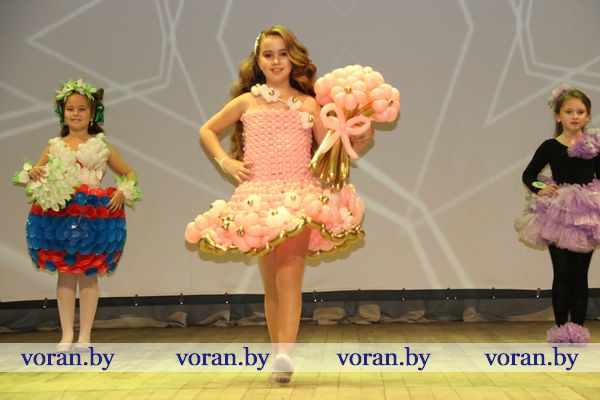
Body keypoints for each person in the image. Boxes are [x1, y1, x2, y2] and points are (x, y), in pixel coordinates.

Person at [184, 26, 372, 382]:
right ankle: (278, 354)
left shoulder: (309, 104)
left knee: (289, 276)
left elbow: (330, 152)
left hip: (299, 196)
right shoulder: (246, 102)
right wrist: (226, 162)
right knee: (270, 281)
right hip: (258, 200)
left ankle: (286, 353)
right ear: (258, 61)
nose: (276, 61)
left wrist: (357, 138)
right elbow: (207, 130)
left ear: (293, 58)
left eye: (282, 54)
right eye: (268, 55)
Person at [14, 79, 141, 350]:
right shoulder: (54, 146)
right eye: (70, 109)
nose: (75, 114)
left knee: (89, 274)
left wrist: (122, 191)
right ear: (63, 113)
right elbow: (35, 173)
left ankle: (85, 336)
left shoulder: (101, 146)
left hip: (92, 218)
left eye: (82, 109)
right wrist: (33, 172)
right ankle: (66, 335)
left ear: (92, 114)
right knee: (65, 273)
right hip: (60, 217)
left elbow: (129, 173)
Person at [515, 84, 598, 343]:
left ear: (588, 116)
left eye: (580, 112)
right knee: (562, 273)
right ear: (558, 116)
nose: (575, 116)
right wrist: (540, 188)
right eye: (569, 111)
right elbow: (529, 174)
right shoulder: (550, 146)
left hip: (586, 213)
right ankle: (562, 329)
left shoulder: (595, 145)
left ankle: (578, 330)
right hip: (557, 213)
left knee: (580, 274)